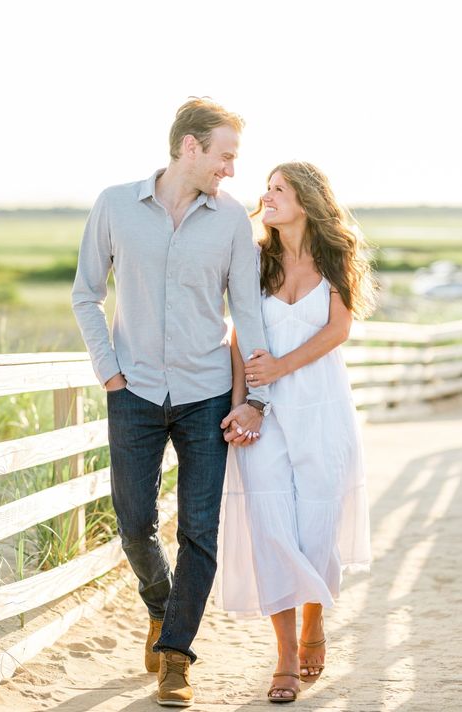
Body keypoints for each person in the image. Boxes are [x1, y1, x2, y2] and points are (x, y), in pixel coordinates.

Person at [72, 98, 270, 707]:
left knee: (200, 531)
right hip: (132, 390)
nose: (232, 169)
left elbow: (247, 312)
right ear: (191, 147)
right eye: (225, 155)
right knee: (133, 523)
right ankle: (161, 609)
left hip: (206, 393)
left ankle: (177, 655)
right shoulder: (114, 205)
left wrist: (256, 397)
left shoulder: (233, 220)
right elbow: (85, 294)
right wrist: (109, 372)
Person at [217, 161, 376, 703]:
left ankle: (314, 623)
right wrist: (241, 406)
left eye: (279, 189)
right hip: (264, 416)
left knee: (316, 525)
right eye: (267, 187)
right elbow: (239, 337)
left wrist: (283, 368)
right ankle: (285, 655)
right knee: (270, 526)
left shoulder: (336, 256)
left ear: (305, 200)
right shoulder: (255, 260)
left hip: (323, 410)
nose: (267, 196)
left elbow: (339, 329)